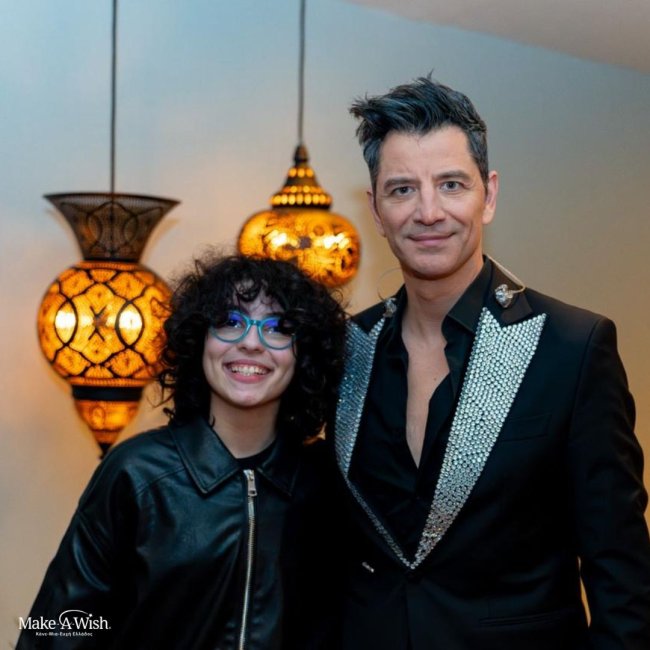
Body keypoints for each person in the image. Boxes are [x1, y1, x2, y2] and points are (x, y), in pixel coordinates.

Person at [332, 76, 650, 649]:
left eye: (451, 184)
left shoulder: (573, 347)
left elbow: (620, 574)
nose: (429, 211)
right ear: (376, 209)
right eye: (402, 189)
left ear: (490, 194)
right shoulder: (345, 348)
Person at [17, 254, 346, 649]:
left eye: (278, 328)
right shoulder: (137, 473)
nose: (250, 342)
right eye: (230, 322)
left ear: (302, 353)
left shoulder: (322, 481)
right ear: (200, 341)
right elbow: (58, 630)